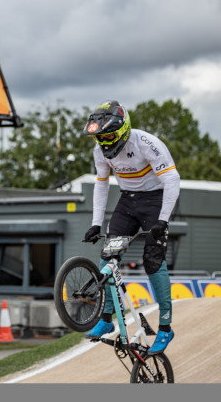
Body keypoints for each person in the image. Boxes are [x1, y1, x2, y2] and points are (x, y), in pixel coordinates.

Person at [81, 100, 180, 354]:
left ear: (123, 129)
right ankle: (105, 320)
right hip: (127, 201)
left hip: (155, 199)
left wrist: (164, 220)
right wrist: (95, 223)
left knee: (153, 261)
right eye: (99, 138)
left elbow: (171, 179)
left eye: (109, 136)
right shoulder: (100, 151)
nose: (104, 143)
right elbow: (102, 184)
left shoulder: (147, 143)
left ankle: (166, 329)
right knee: (108, 258)